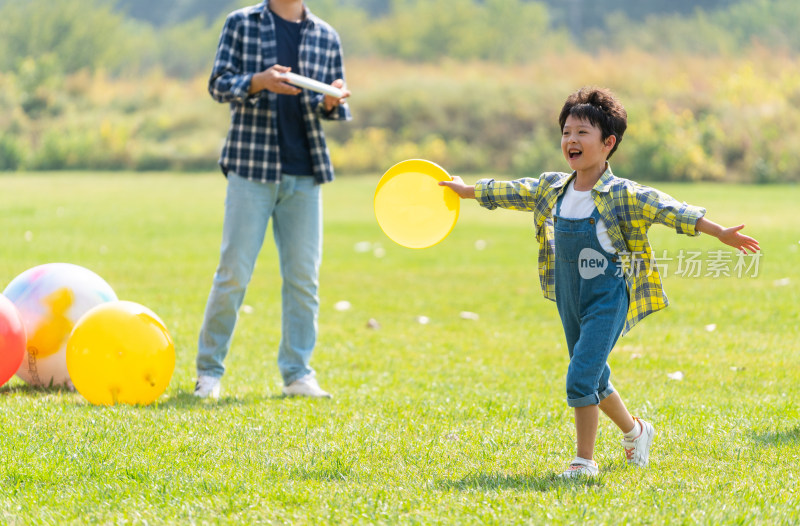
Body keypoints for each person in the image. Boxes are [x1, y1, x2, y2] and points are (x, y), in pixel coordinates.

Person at [439, 87, 760, 478]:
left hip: (608, 295)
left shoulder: (622, 193)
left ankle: (583, 461)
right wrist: (468, 190)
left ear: (608, 143)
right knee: (594, 374)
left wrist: (719, 231)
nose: (571, 140)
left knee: (580, 376)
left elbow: (670, 209)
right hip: (569, 293)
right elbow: (513, 190)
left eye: (582, 133)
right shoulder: (552, 187)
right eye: (566, 132)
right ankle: (636, 431)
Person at [194, 0, 351, 400]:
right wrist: (258, 81)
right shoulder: (241, 23)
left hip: (305, 172)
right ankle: (208, 374)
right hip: (251, 168)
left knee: (304, 279)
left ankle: (298, 374)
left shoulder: (326, 36)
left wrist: (332, 101)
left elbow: (329, 104)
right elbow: (218, 84)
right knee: (233, 274)